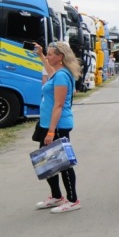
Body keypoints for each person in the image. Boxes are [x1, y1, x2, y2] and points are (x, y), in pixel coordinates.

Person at [31, 41, 83, 213]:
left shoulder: (62, 76)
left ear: (60, 57)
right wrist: (40, 55)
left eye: (50, 54)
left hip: (57, 125)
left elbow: (59, 105)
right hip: (47, 124)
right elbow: (50, 70)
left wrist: (51, 131)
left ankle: (73, 200)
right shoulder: (58, 73)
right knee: (47, 162)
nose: (48, 57)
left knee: (63, 163)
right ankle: (56, 196)